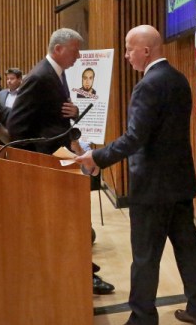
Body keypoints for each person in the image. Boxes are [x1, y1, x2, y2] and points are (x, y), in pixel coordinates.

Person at [77, 25, 196, 325]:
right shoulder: (178, 80)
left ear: (145, 50)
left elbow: (136, 137)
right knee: (187, 249)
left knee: (145, 256)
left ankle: (143, 320)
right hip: (179, 183)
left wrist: (98, 158)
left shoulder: (148, 85)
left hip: (152, 188)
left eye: (128, 48)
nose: (126, 55)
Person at [7, 28, 115, 295]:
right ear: (58, 49)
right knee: (64, 222)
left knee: (69, 220)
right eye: (75, 50)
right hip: (47, 165)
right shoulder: (40, 77)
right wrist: (39, 156)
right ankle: (78, 276)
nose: (79, 56)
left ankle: (81, 272)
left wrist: (75, 111)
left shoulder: (56, 74)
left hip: (60, 161)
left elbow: (54, 116)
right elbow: (16, 126)